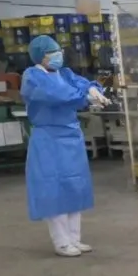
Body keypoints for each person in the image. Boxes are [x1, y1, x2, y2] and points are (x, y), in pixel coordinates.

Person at [22, 35, 109, 257]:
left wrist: (93, 90)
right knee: (54, 190)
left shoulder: (65, 74)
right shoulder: (32, 77)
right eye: (52, 53)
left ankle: (74, 239)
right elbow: (56, 95)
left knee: (74, 188)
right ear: (40, 56)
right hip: (48, 139)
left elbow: (81, 83)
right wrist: (84, 97)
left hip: (71, 137)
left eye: (58, 51)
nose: (57, 56)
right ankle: (61, 242)